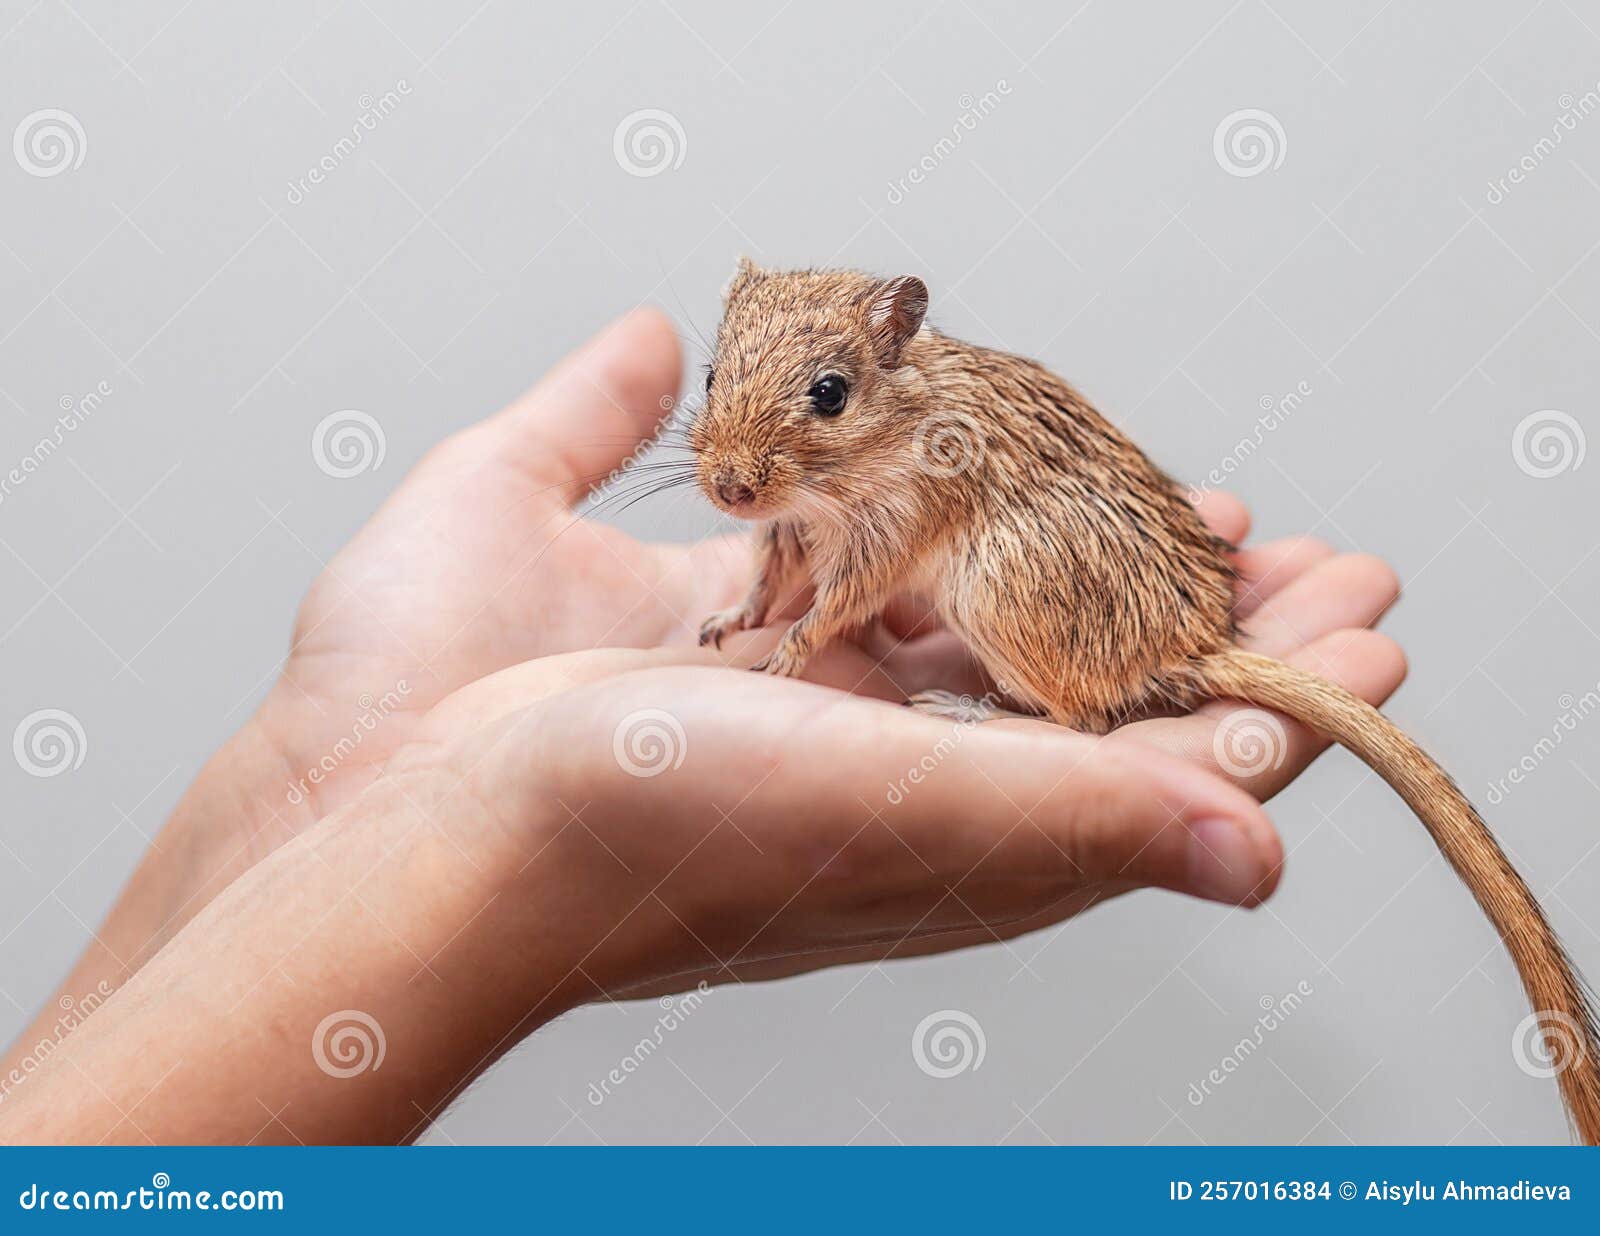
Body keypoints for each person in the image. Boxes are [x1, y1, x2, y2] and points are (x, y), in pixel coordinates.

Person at [0, 309, 1405, 1144]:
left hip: (1068, 597)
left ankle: (1080, 691)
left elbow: (870, 561)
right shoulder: (813, 453)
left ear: (891, 363)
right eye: (731, 411)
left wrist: (798, 635)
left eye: (816, 409)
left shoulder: (931, 454)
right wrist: (349, 789)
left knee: (964, 583)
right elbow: (811, 546)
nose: (733, 465)